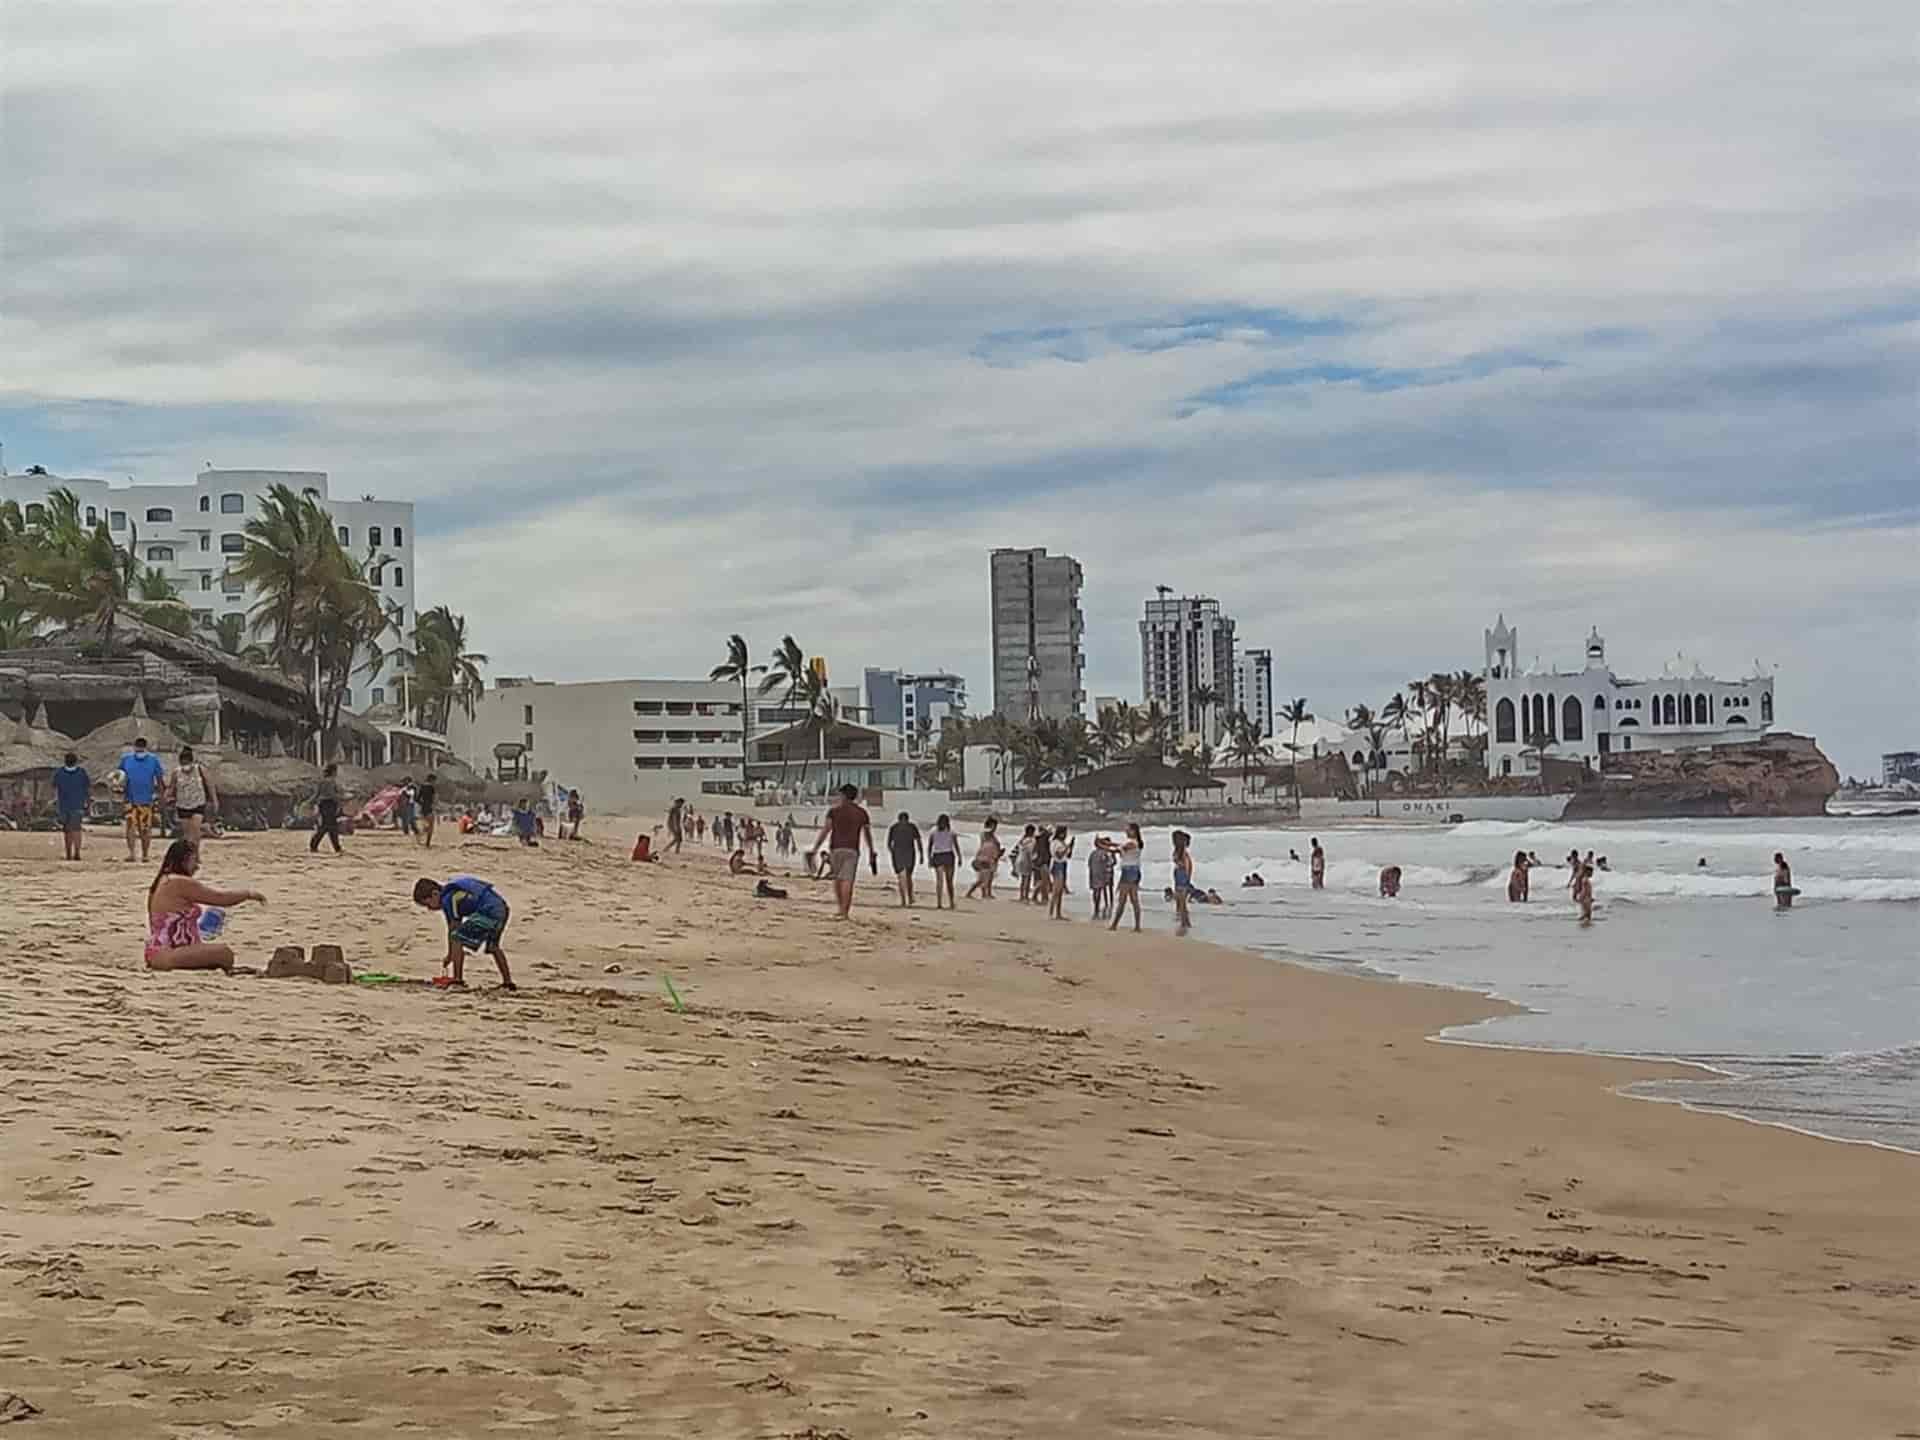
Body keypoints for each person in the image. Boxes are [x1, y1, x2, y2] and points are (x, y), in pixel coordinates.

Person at [145, 838, 266, 972]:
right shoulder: (178, 882)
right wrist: (248, 894)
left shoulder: (161, 882)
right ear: (183, 860)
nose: (197, 866)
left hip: (157, 952)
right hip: (168, 954)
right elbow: (220, 898)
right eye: (194, 860)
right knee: (225, 953)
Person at [414, 874, 516, 988]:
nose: (429, 909)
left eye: (428, 904)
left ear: (435, 894)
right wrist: (450, 953)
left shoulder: (448, 899)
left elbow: (453, 930)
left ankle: (458, 980)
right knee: (493, 947)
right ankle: (508, 982)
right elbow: (452, 929)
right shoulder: (453, 894)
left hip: (488, 910)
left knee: (458, 939)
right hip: (501, 908)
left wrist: (451, 954)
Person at [812, 784, 877, 920]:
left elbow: (826, 830)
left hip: (836, 848)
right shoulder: (862, 813)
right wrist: (871, 851)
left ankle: (840, 908)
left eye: (840, 795)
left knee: (838, 879)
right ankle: (845, 912)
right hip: (852, 849)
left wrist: (815, 848)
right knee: (848, 880)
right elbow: (867, 835)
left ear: (843, 795)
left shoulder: (834, 812)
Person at [118, 735, 165, 863]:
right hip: (138, 799)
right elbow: (160, 780)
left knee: (136, 827)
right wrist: (161, 796)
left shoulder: (128, 760)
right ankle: (140, 854)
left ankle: (138, 854)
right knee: (140, 827)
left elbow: (118, 778)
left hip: (138, 799)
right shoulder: (152, 760)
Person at [170, 745, 218, 848]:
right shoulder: (176, 772)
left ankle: (195, 855)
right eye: (183, 763)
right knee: (187, 835)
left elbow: (210, 785)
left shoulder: (200, 769)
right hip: (182, 805)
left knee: (195, 831)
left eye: (187, 763)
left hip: (198, 804)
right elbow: (172, 787)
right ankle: (189, 855)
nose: (185, 766)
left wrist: (214, 801)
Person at [1103, 823, 1144, 933]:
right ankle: (1137, 926)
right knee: (1134, 900)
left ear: (1134, 831)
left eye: (1128, 830)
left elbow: (1117, 850)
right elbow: (1120, 845)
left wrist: (1102, 846)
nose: (1126, 832)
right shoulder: (1135, 842)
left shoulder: (1132, 843)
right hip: (1134, 870)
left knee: (1123, 900)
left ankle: (1115, 925)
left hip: (1129, 872)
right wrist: (1109, 843)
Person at [53, 751, 90, 862]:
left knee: (67, 830)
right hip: (78, 805)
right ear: (76, 761)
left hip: (64, 805)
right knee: (77, 829)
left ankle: (69, 853)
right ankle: (77, 852)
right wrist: (87, 803)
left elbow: (54, 787)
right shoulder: (82, 773)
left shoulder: (59, 773)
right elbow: (87, 789)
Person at [888, 810, 923, 907]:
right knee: (905, 877)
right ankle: (907, 898)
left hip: (902, 853)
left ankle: (907, 898)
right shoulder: (911, 827)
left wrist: (893, 853)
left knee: (904, 877)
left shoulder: (895, 827)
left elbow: (889, 843)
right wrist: (921, 854)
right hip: (907, 853)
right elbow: (918, 841)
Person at [926, 814, 962, 909]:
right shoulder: (950, 831)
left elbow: (929, 846)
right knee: (948, 881)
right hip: (947, 855)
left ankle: (940, 903)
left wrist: (929, 858)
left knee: (941, 881)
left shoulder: (934, 831)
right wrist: (959, 857)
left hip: (939, 856)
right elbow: (956, 846)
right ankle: (950, 902)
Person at [309, 763, 343, 855]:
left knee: (328, 826)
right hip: (330, 804)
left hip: (323, 805)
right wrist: (340, 801)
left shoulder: (322, 781)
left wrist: (309, 802)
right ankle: (335, 847)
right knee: (328, 827)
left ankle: (315, 845)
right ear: (333, 771)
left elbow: (316, 794)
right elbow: (332, 794)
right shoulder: (331, 782)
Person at [966, 817, 1002, 899]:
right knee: (982, 878)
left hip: (991, 857)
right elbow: (987, 834)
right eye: (994, 826)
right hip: (984, 857)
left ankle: (986, 894)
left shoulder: (992, 836)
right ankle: (970, 893)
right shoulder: (985, 833)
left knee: (989, 877)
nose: (995, 828)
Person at [1171, 829, 1196, 934]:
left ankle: (1185, 922)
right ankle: (1184, 920)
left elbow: (1188, 865)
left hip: (1182, 875)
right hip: (1178, 874)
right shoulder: (1178, 851)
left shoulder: (1183, 853)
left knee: (1182, 901)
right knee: (1180, 900)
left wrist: (1187, 879)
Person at [1047, 825, 1073, 920]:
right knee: (1056, 890)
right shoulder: (1055, 843)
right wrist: (1067, 848)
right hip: (1058, 864)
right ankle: (1051, 912)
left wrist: (1070, 847)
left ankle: (1058, 912)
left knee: (1060, 891)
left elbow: (1068, 856)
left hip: (1062, 864)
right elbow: (1059, 855)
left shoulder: (1062, 843)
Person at [1087, 837, 1114, 919]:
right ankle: (1099, 907)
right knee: (1101, 890)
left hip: (1093, 873)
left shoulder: (1093, 853)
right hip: (1102, 874)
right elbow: (1109, 863)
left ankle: (1096, 908)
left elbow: (1089, 864)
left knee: (1096, 891)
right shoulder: (1104, 853)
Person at [417, 773, 439, 849]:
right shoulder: (432, 787)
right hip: (429, 808)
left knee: (425, 825)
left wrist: (422, 803)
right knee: (430, 826)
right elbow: (434, 798)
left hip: (423, 808)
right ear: (432, 780)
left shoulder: (422, 787)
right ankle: (427, 843)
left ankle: (419, 839)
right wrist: (434, 806)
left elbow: (417, 798)